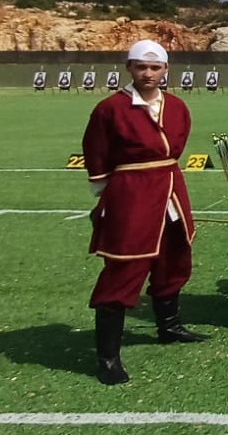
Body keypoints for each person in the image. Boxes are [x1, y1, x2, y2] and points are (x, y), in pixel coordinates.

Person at [82, 40, 207, 385]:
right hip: (132, 193)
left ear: (166, 69)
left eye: (155, 68)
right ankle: (108, 357)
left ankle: (169, 326)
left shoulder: (178, 107)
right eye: (141, 67)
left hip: (170, 189)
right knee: (126, 265)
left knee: (174, 256)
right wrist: (107, 198)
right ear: (129, 68)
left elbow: (175, 148)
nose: (148, 74)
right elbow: (96, 153)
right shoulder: (110, 108)